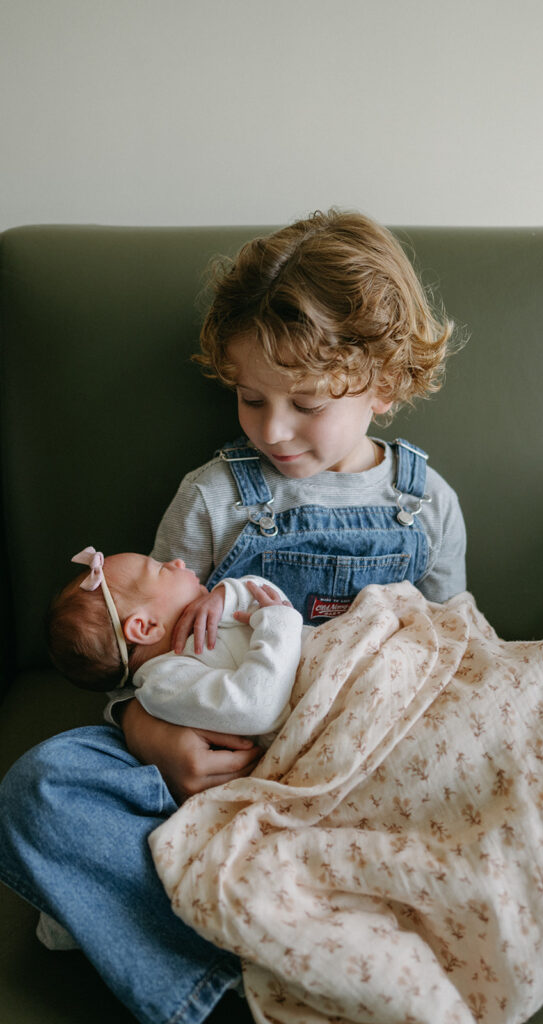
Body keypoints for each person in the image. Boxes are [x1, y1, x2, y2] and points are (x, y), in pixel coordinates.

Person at [0, 209, 467, 1024]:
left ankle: (304, 933)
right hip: (221, 763)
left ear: (383, 386)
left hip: (357, 756)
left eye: (306, 402)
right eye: (252, 399)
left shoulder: (424, 505)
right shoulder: (216, 497)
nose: (273, 430)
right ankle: (212, 980)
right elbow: (139, 646)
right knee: (39, 790)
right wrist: (147, 734)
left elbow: (449, 649)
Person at [49, 547, 308, 746]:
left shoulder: (208, 613)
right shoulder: (165, 684)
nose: (177, 562)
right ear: (147, 628)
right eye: (162, 569)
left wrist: (226, 595)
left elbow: (274, 600)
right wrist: (279, 624)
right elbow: (256, 707)